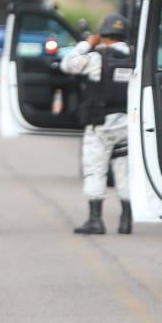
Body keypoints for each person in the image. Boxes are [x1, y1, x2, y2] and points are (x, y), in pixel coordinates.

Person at [60, 14, 134, 235]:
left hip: (100, 125)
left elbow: (67, 64)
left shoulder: (96, 58)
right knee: (124, 171)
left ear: (103, 35)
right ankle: (126, 220)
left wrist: (86, 44)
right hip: (127, 125)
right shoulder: (137, 58)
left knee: (95, 171)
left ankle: (95, 220)